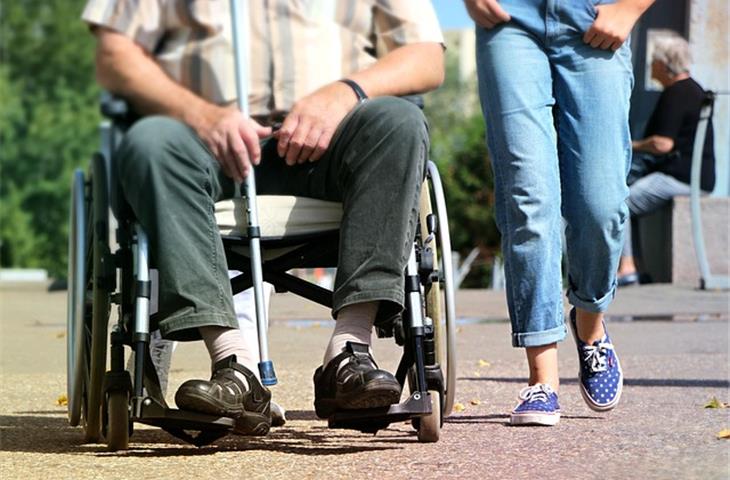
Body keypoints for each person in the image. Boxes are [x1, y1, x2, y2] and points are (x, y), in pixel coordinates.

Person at [82, 0, 444, 434]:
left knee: (399, 121)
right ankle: (233, 365)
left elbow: (426, 55)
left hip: (333, 140)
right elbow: (115, 53)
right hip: (204, 141)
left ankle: (350, 352)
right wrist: (200, 112)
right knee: (151, 141)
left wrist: (345, 91)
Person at [465, 0, 653, 425]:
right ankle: (542, 380)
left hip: (595, 15)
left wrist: (632, 7)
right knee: (528, 198)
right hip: (511, 20)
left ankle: (589, 326)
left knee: (600, 203)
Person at [617, 31, 715, 286]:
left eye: (653, 62)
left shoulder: (677, 92)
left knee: (622, 202)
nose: (651, 67)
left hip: (680, 177)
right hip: (694, 175)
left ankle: (627, 267)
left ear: (663, 63)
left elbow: (662, 144)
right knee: (630, 199)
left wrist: (629, 144)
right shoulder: (693, 90)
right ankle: (637, 266)